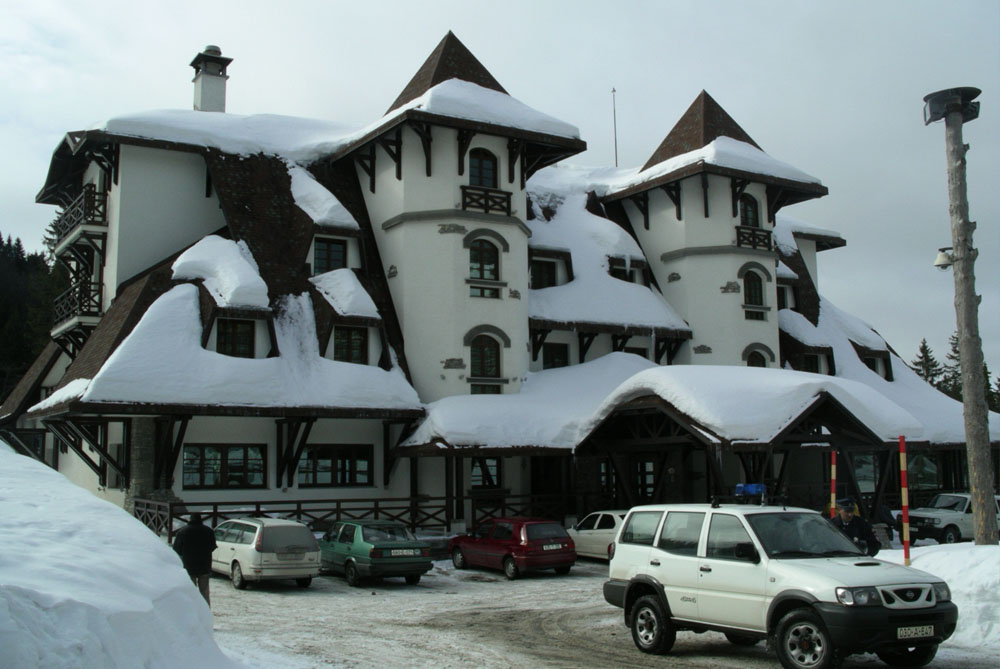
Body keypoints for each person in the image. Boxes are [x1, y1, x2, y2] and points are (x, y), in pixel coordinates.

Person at [172, 513, 217, 606]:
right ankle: (205, 613)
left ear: (190, 520)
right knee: (204, 592)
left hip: (189, 566)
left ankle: (192, 612)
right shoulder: (209, 531)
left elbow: (177, 548)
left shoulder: (182, 532)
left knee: (190, 592)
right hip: (205, 565)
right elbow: (212, 546)